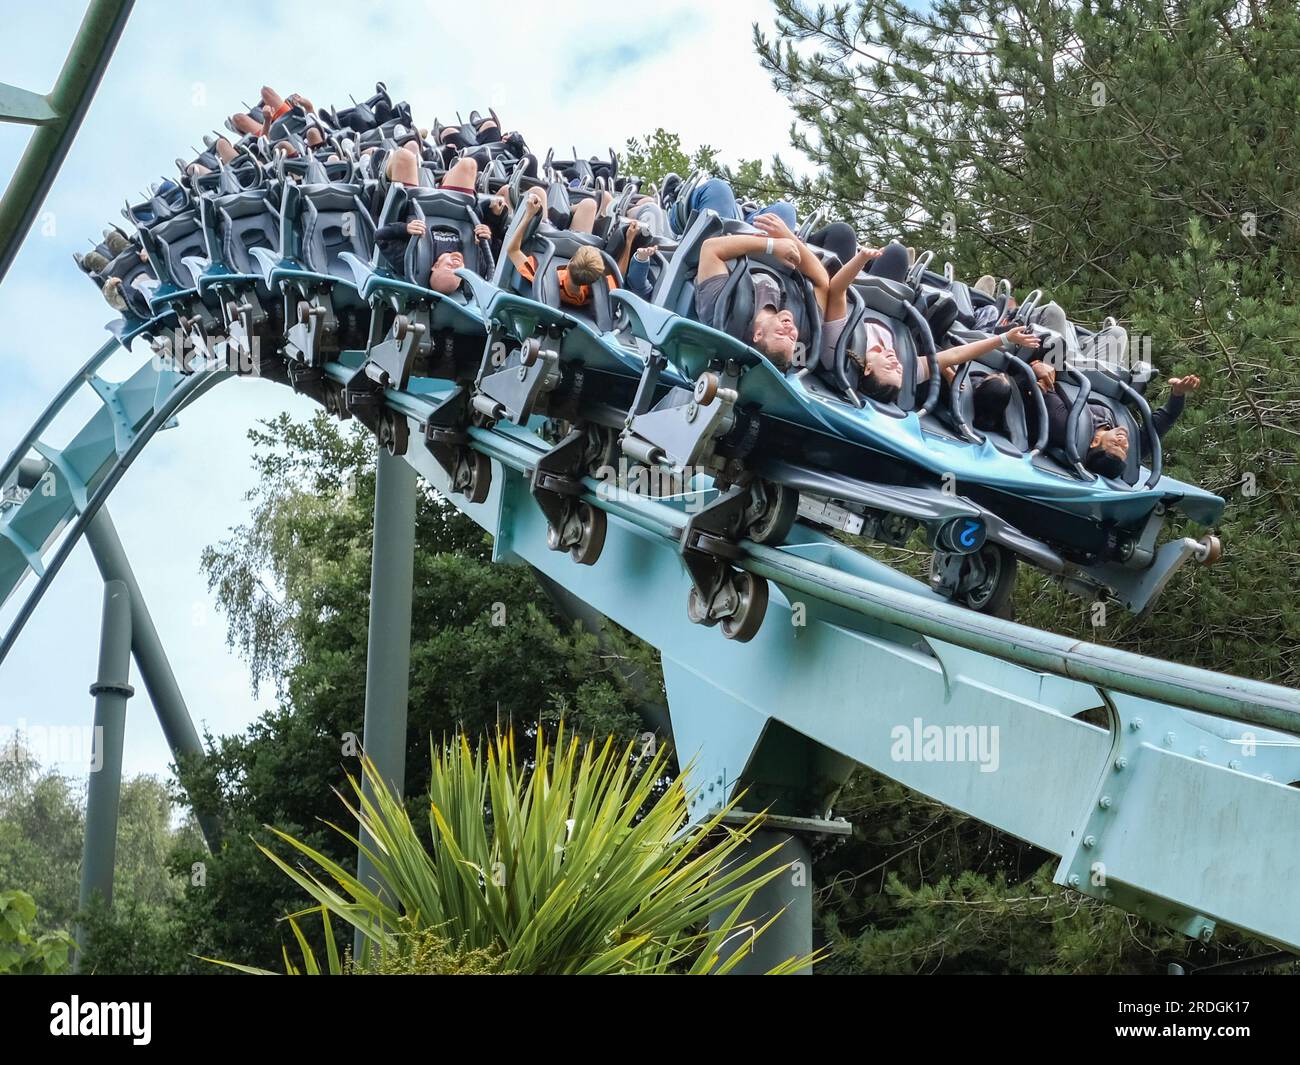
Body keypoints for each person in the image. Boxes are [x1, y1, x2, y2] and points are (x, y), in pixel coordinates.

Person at [693, 212, 829, 372]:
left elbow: (710, 248)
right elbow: (822, 281)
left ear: (758, 334)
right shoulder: (804, 329)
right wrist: (788, 237)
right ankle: (751, 212)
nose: (790, 329)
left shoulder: (722, 314)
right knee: (786, 210)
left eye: (780, 333)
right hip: (779, 246)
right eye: (792, 338)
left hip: (730, 231)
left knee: (720, 189)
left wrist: (770, 245)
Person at [1033, 361, 1200, 477]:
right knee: (1117, 332)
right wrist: (1178, 394)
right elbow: (1166, 418)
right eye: (1125, 449)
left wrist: (1039, 365)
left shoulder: (1065, 427)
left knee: (1056, 315)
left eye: (1115, 443)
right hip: (1102, 374)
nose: (1123, 441)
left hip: (1067, 365)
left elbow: (1045, 382)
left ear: (1094, 441)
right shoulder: (1132, 445)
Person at [506, 188, 642, 308]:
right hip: (574, 236)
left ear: (570, 263)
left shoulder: (541, 276)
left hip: (547, 235)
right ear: (597, 279)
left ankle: (562, 213)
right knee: (590, 204)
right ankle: (569, 212)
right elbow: (619, 274)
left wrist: (529, 215)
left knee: (538, 192)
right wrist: (629, 241)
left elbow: (513, 250)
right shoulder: (593, 291)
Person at [854, 320, 1041, 405]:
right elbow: (956, 355)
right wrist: (1005, 338)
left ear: (868, 369)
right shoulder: (908, 371)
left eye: (890, 368)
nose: (897, 363)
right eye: (899, 371)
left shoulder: (848, 347)